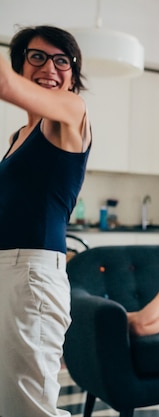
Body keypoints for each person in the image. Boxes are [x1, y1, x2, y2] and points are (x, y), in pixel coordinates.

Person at [0, 26, 91, 417]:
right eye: (37, 57)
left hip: (34, 274)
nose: (50, 68)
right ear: (21, 63)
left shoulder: (73, 110)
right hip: (9, 271)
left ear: (72, 74)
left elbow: (4, 84)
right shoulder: (19, 134)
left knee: (31, 408)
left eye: (62, 60)